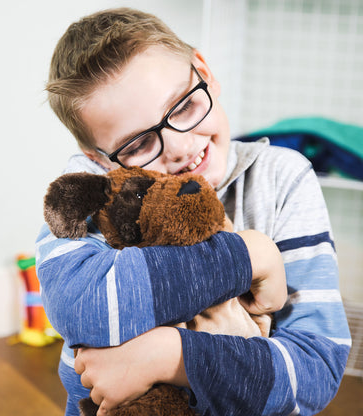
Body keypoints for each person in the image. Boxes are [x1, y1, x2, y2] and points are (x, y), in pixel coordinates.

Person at [36, 7, 351, 416]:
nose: (181, 147)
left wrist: (170, 355)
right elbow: (80, 308)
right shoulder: (91, 192)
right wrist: (249, 257)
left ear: (204, 71)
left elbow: (316, 370)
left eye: (183, 106)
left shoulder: (282, 179)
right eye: (137, 144)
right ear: (97, 157)